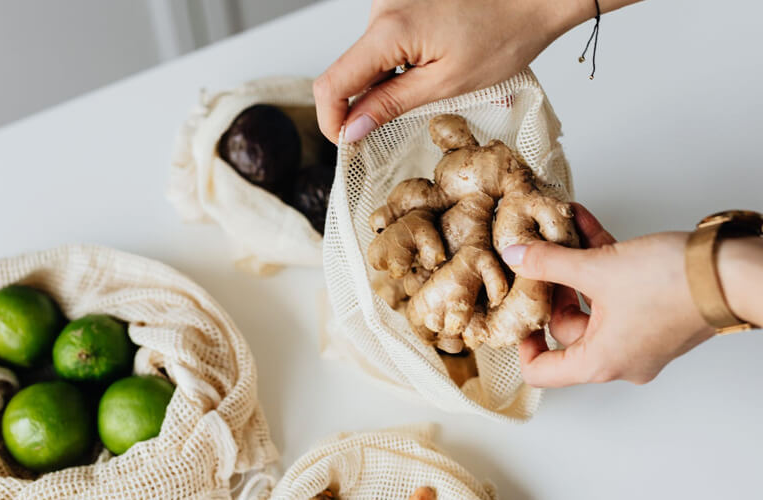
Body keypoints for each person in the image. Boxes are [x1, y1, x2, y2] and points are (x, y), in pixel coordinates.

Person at [313, 0, 763, 388]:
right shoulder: (450, 236)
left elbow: (474, 257)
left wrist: (707, 286)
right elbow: (468, 259)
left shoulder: (465, 219)